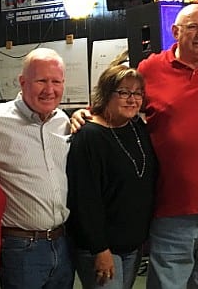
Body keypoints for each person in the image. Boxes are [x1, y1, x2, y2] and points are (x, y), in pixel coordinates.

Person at [71, 4, 198, 289]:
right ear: (175, 32)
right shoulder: (151, 68)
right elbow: (121, 97)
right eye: (192, 27)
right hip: (171, 208)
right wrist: (86, 112)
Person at [66, 65, 158, 289]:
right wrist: (100, 249)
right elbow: (84, 200)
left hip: (132, 244)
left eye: (137, 93)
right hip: (101, 248)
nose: (132, 99)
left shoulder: (137, 127)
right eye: (124, 92)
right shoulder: (88, 136)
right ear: (107, 93)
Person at [0, 47, 74, 288]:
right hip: (20, 249)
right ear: (22, 82)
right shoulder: (0, 121)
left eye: (56, 81)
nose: (49, 90)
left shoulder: (63, 121)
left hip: (62, 244)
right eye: (41, 80)